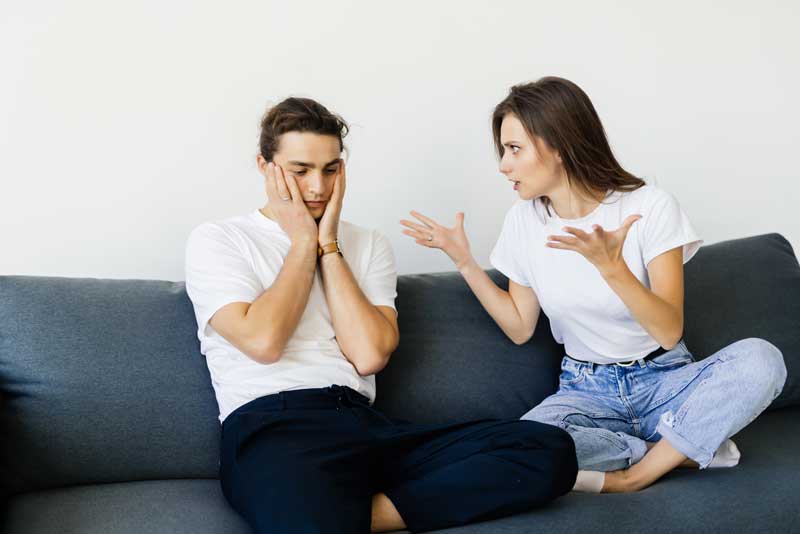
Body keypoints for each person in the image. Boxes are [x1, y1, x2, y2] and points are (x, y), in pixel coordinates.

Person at [185, 96, 577, 533]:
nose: (317, 188)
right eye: (300, 171)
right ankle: (334, 512)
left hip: (360, 422)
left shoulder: (368, 244)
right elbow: (264, 342)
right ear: (265, 166)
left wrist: (328, 246)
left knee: (548, 448)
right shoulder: (219, 240)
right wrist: (302, 243)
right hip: (271, 430)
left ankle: (350, 513)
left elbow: (368, 356)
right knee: (299, 512)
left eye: (330, 170)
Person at [401, 77, 787, 493]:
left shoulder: (649, 207)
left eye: (514, 149)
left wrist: (612, 268)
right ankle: (680, 447)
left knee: (762, 359)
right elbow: (519, 327)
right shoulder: (523, 221)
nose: (503, 165)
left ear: (558, 145)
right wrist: (464, 261)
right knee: (521, 442)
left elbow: (668, 330)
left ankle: (637, 473)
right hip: (587, 393)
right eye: (504, 150)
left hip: (665, 379)